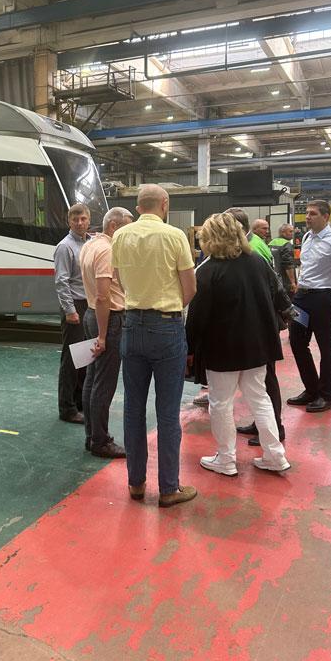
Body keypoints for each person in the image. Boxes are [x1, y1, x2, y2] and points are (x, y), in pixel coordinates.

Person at [112, 184, 197, 508]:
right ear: (165, 204)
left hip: (132, 325)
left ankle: (136, 483)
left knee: (133, 409)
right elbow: (190, 288)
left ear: (137, 207)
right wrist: (169, 305)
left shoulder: (121, 236)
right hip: (166, 327)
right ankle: (168, 488)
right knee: (167, 412)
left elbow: (118, 279)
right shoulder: (174, 236)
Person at [186, 213, 291, 475]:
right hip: (258, 344)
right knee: (259, 397)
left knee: (221, 402)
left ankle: (226, 459)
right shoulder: (257, 261)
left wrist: (189, 347)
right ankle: (275, 455)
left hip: (222, 348)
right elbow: (278, 292)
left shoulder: (207, 271)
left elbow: (197, 316)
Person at [225, 208, 288, 447]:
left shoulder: (253, 249)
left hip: (262, 321)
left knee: (267, 378)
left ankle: (275, 428)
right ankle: (261, 424)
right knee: (260, 381)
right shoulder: (249, 245)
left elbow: (272, 287)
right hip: (260, 320)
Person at [287, 200, 331, 413]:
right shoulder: (307, 237)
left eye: (313, 213)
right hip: (302, 298)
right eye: (307, 213)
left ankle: (326, 396)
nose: (307, 217)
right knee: (296, 342)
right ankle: (312, 389)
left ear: (326, 216)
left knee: (326, 346)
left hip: (324, 299)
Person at [80, 207, 133, 458]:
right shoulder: (107, 250)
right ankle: (101, 441)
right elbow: (103, 296)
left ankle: (92, 436)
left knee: (92, 378)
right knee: (104, 382)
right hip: (107, 319)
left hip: (92, 314)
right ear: (114, 226)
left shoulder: (90, 245)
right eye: (127, 228)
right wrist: (102, 336)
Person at [54, 203, 91, 424]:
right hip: (75, 306)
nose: (79, 223)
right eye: (75, 219)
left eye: (83, 219)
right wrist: (70, 310)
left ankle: (79, 402)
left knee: (84, 357)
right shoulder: (64, 247)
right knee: (70, 360)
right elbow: (61, 282)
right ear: (68, 221)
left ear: (89, 220)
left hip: (88, 305)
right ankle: (66, 408)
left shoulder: (90, 243)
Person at [269, 224, 297, 295]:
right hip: (285, 281)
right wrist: (293, 282)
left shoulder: (271, 243)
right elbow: (289, 265)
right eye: (290, 231)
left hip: (273, 279)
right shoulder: (286, 245)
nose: (292, 233)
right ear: (283, 232)